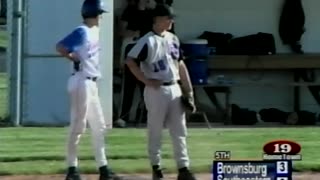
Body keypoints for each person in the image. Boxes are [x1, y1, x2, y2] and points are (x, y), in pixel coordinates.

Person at [125, 4, 197, 180]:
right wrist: (145, 80)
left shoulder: (173, 38)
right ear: (157, 20)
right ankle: (156, 167)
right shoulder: (147, 40)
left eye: (171, 18)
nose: (171, 21)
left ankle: (183, 168)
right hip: (156, 90)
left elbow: (180, 64)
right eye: (168, 18)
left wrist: (189, 92)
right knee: (155, 130)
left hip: (174, 88)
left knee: (179, 130)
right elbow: (130, 60)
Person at [55, 0, 121, 179]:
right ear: (93, 13)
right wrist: (73, 58)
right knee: (78, 126)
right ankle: (72, 169)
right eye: (99, 13)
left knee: (99, 126)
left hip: (91, 83)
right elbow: (60, 47)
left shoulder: (94, 31)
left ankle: (103, 168)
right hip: (80, 82)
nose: (101, 17)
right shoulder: (82, 31)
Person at [115, 0, 153, 127]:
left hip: (147, 50)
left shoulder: (152, 11)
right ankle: (123, 116)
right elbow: (121, 31)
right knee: (128, 85)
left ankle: (146, 116)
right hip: (132, 46)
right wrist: (135, 33)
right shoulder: (129, 10)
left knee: (147, 86)